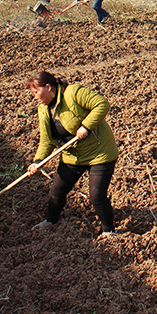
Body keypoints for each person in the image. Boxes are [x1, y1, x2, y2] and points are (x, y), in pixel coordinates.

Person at [25, 71, 119, 236]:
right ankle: (50, 221)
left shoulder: (73, 93)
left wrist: (86, 126)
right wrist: (37, 161)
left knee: (96, 196)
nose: (34, 97)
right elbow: (46, 140)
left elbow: (102, 104)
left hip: (99, 152)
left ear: (48, 87)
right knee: (57, 191)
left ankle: (109, 231)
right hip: (73, 156)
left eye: (36, 92)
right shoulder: (43, 109)